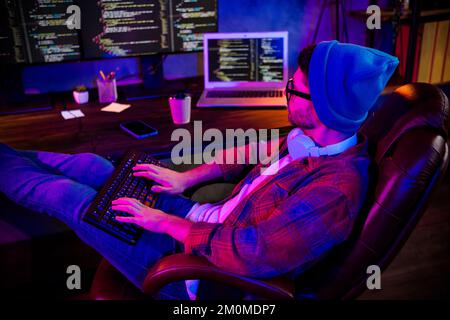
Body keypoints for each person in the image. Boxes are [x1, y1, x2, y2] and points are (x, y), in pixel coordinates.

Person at [0, 40, 399, 299]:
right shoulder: (314, 142)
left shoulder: (334, 192)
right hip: (199, 224)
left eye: (293, 89)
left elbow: (249, 253)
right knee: (90, 165)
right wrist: (186, 179)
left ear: (323, 106)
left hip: (200, 277)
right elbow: (256, 149)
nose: (285, 92)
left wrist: (164, 223)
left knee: (66, 197)